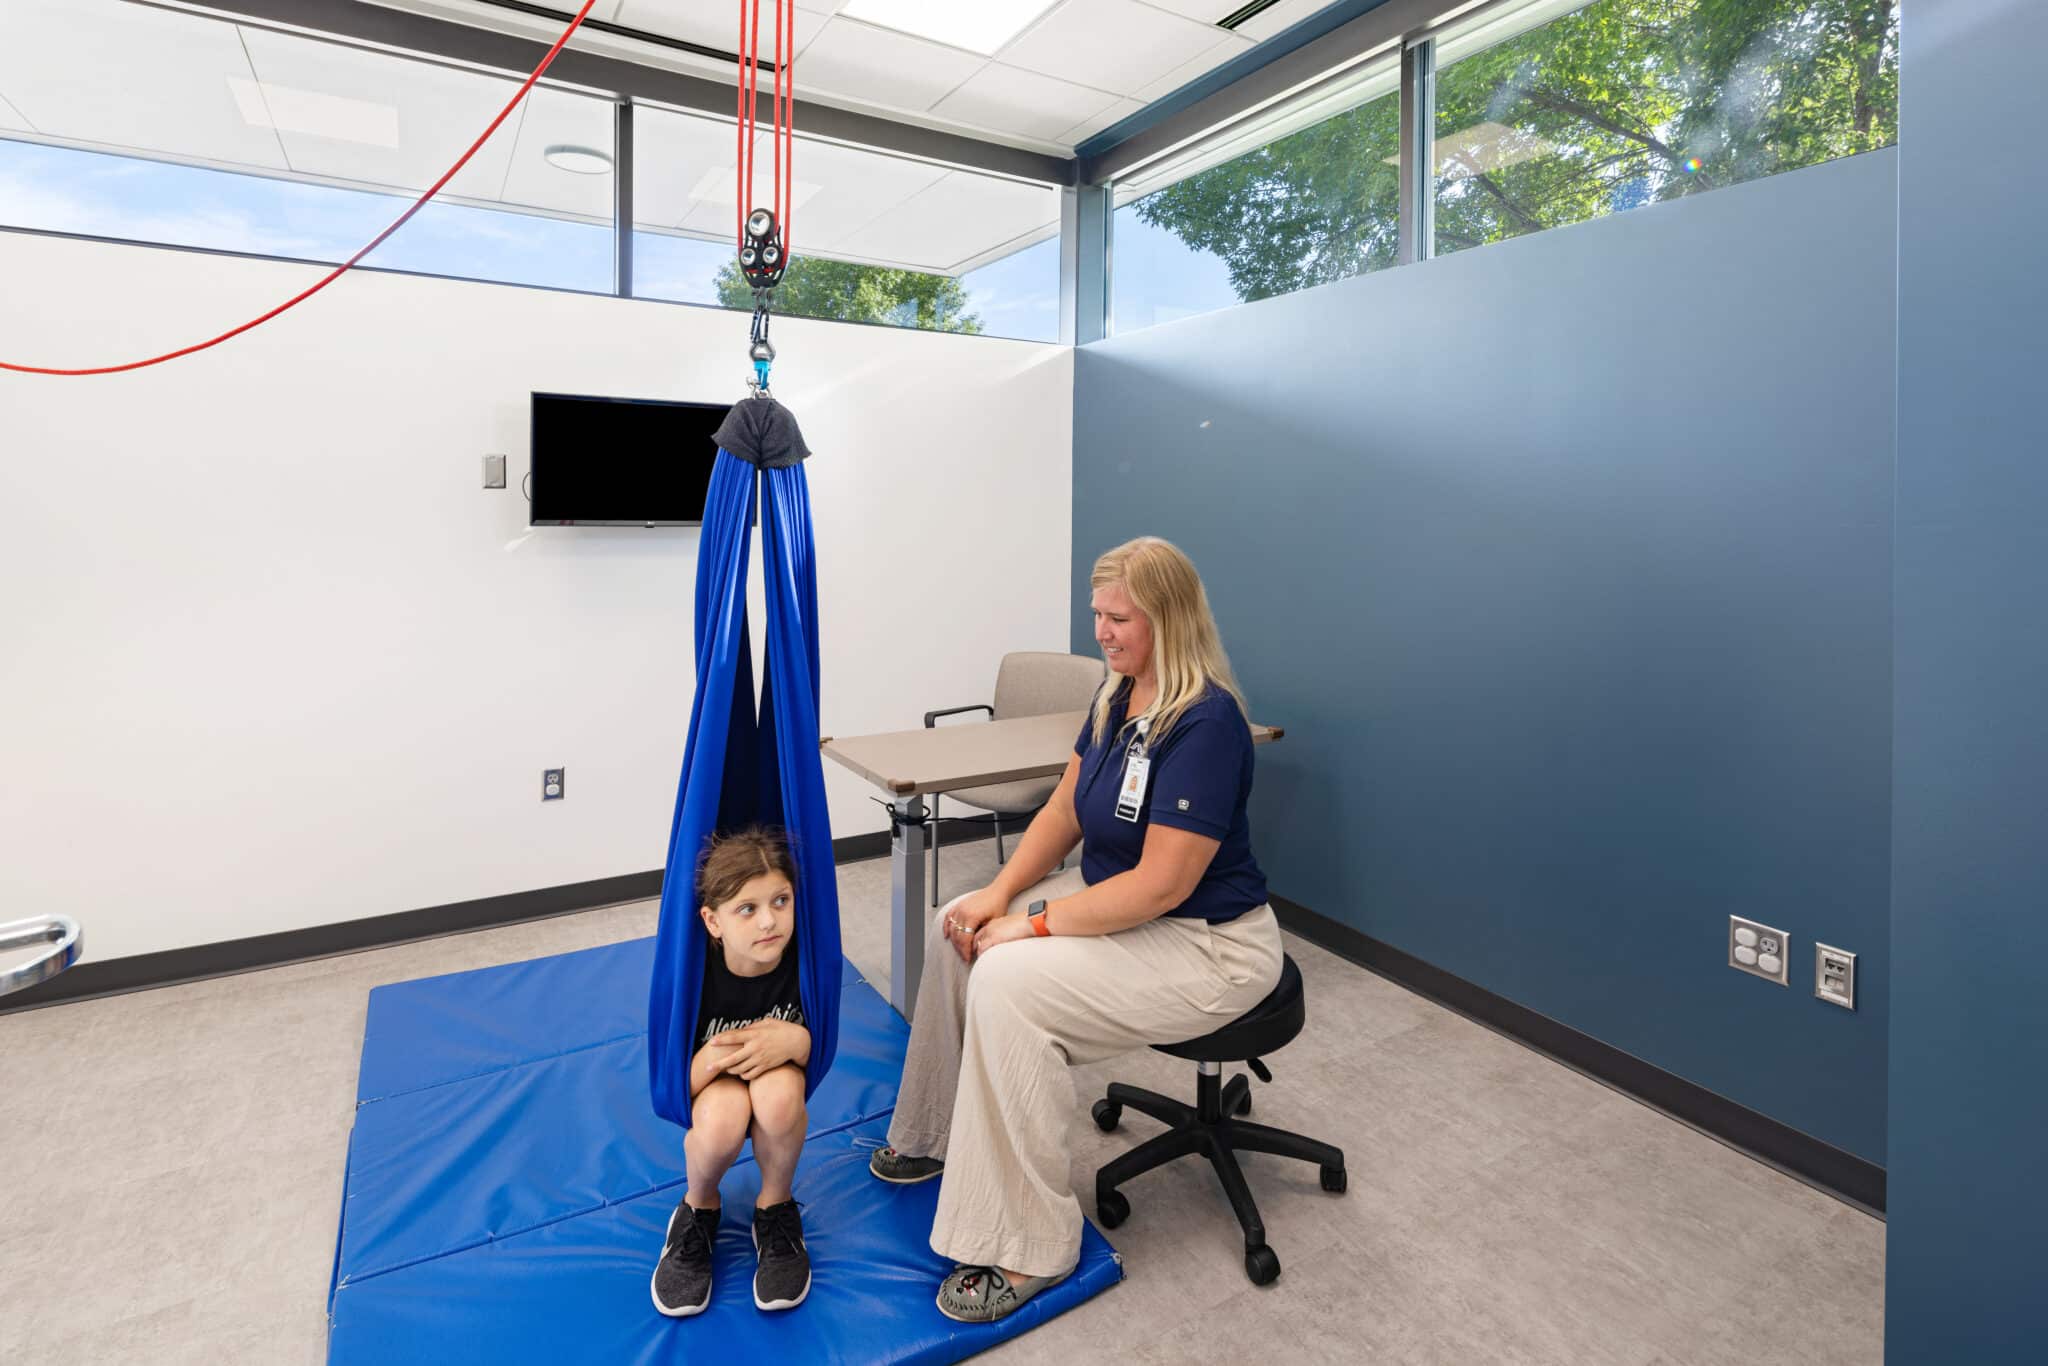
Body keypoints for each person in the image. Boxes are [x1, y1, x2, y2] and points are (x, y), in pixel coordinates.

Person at [868, 535, 1284, 1324]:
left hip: (1210, 943)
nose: (1101, 630)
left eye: (1118, 617)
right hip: (1119, 901)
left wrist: (1035, 929)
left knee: (1010, 982)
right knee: (953, 925)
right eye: (1096, 614)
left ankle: (1032, 1245)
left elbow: (1164, 884)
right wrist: (998, 894)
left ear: (1168, 617)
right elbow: (1063, 811)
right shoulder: (1116, 694)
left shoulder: (1206, 723)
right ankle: (933, 1132)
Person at [650, 826, 814, 1318]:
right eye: (747, 908)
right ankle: (699, 1209)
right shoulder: (695, 976)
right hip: (712, 1083)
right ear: (713, 921)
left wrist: (795, 1040)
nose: (770, 921)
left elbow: (815, 1049)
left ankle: (775, 1209)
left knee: (781, 1098)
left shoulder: (804, 963)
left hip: (777, 1077)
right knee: (722, 1120)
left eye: (781, 901)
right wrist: (717, 1060)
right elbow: (674, 1085)